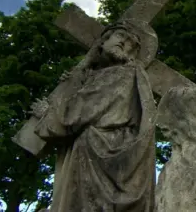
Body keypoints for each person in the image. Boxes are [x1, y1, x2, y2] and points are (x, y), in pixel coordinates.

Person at [30, 22, 157, 212]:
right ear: (102, 42)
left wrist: (48, 115)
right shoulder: (99, 75)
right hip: (97, 152)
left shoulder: (122, 73)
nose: (124, 43)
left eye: (131, 44)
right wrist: (80, 73)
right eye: (120, 36)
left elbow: (78, 113)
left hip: (101, 151)